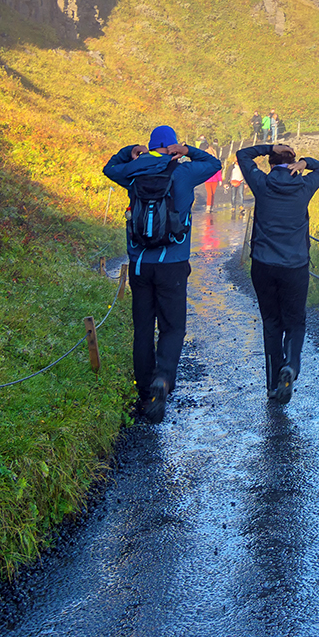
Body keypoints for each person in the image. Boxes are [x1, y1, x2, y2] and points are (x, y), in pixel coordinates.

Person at [103, 127, 221, 424]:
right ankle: (163, 379)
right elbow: (214, 164)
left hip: (140, 263)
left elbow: (109, 168)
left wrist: (130, 150)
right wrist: (187, 150)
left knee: (143, 327)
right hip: (174, 263)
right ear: (171, 146)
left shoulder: (132, 171)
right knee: (172, 326)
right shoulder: (183, 172)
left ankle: (144, 393)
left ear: (151, 146)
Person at [236, 143, 319, 403]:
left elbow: (242, 155)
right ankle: (290, 366)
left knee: (271, 323)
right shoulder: (304, 185)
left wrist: (268, 147)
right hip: (295, 265)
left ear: (270, 162)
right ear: (293, 162)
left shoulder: (262, 183)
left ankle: (272, 386)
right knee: (295, 322)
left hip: (263, 264)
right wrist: (305, 163)